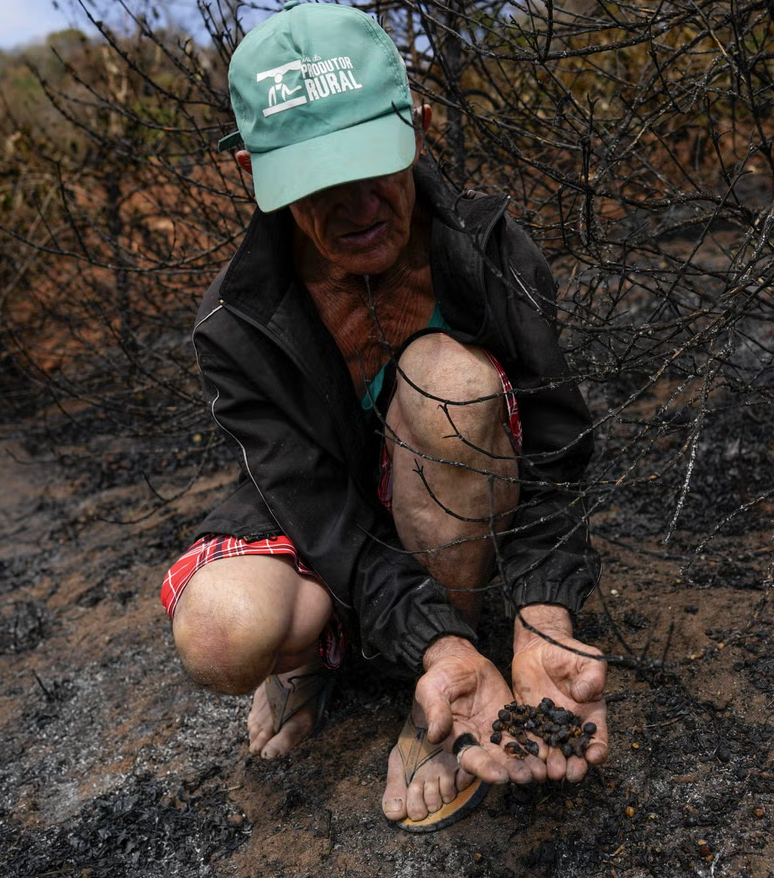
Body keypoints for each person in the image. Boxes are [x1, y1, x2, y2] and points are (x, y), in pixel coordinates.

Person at [160, 1, 607, 831]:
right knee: (223, 633)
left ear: (419, 127)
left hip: (456, 485)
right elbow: (314, 506)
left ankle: (447, 675)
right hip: (329, 500)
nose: (355, 206)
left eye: (371, 166)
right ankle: (331, 652)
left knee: (445, 379)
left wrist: (545, 609)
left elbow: (554, 444)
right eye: (315, 183)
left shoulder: (487, 247)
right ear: (257, 176)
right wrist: (425, 640)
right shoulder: (237, 319)